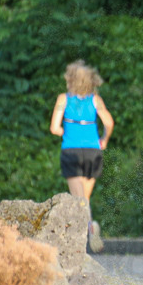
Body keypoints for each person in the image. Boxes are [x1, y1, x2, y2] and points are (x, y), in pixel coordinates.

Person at [49, 60, 114, 253]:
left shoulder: (63, 99)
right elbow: (109, 123)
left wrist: (63, 131)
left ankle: (85, 235)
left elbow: (53, 128)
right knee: (84, 199)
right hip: (93, 152)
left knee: (79, 201)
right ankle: (86, 233)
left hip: (72, 152)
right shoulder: (95, 100)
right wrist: (104, 139)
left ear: (70, 79)